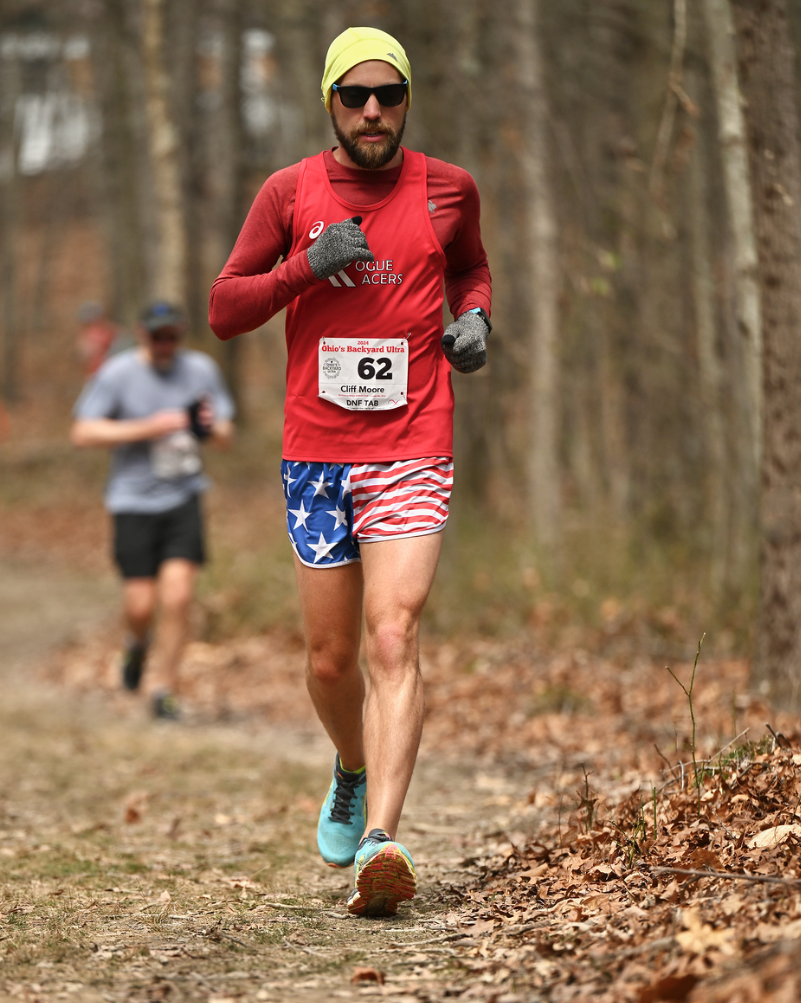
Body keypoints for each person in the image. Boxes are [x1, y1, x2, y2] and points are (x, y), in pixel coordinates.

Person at [208, 26, 492, 917]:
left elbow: (472, 269)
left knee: (392, 635)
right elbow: (223, 308)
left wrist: (476, 320)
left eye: (390, 95)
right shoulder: (288, 191)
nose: (374, 111)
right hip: (317, 452)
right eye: (355, 96)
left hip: (414, 438)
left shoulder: (448, 188)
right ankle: (351, 763)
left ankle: (382, 837)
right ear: (328, 102)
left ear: (407, 98)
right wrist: (303, 265)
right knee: (332, 661)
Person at [71, 301, 235, 719]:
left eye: (172, 336)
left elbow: (224, 434)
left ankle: (164, 689)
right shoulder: (117, 373)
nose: (166, 344)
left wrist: (206, 428)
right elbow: (83, 432)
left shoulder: (200, 370)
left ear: (181, 335)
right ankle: (135, 645)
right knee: (141, 605)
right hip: (132, 500)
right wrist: (152, 426)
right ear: (142, 335)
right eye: (158, 337)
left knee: (178, 598)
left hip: (184, 496)